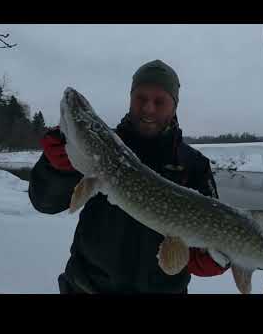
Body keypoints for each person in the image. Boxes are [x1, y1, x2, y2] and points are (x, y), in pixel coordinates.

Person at [28, 59, 230, 294]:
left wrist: (214, 258)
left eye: (159, 101)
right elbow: (44, 202)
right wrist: (57, 168)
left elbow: (195, 251)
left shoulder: (194, 165)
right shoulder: (97, 147)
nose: (148, 108)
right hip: (87, 288)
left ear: (174, 107)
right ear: (130, 98)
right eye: (141, 98)